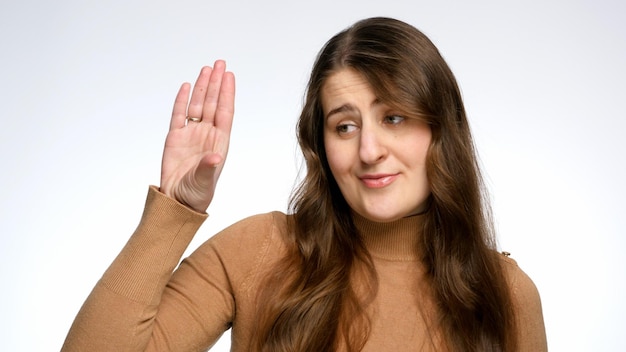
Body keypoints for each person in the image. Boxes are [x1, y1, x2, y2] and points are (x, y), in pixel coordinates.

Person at [61, 17, 547, 351]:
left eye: (394, 118)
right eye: (345, 125)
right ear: (321, 144)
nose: (369, 150)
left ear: (440, 129)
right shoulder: (258, 251)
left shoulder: (505, 293)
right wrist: (171, 210)